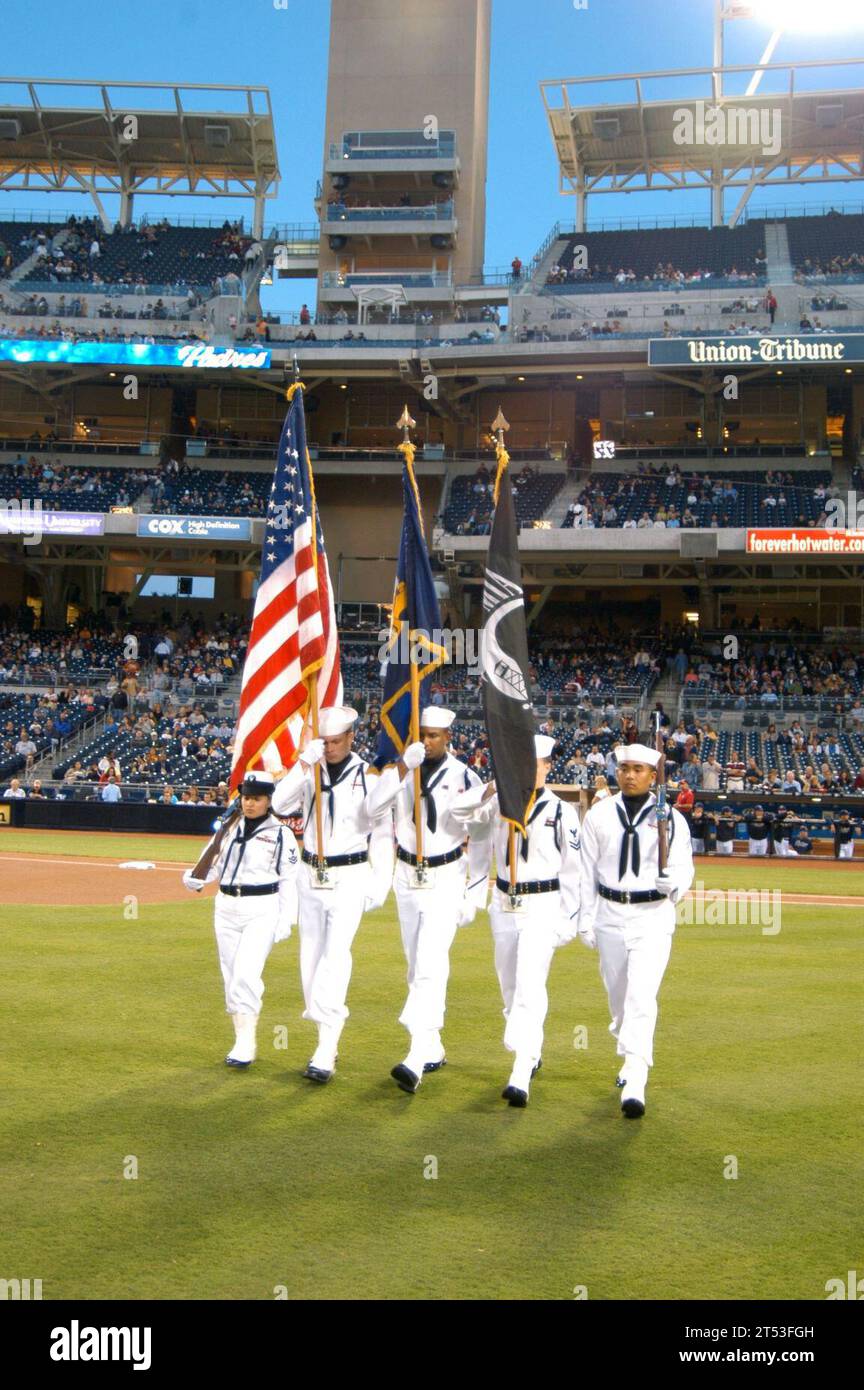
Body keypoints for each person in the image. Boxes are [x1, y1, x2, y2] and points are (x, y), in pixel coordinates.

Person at [450, 734, 587, 1108]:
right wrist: (495, 785)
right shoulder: (498, 804)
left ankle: (521, 1069)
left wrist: (569, 919)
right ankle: (532, 1046)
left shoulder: (561, 812)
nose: (530, 770)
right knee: (509, 985)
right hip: (504, 902)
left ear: (546, 766)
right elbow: (457, 813)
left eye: (536, 764)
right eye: (522, 764)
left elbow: (575, 872)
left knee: (529, 983)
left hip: (543, 903)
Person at [364, 706, 492, 1094]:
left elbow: (483, 834)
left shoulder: (465, 776)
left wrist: (475, 891)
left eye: (434, 735)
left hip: (445, 875)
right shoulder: (400, 771)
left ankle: (416, 1055)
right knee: (414, 961)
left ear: (449, 737)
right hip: (407, 875)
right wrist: (403, 767)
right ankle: (434, 1045)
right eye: (421, 734)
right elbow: (372, 809)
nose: (427, 740)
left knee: (430, 963)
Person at [270, 706, 392, 1083]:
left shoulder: (369, 775)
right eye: (325, 741)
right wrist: (302, 766)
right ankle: (325, 1032)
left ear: (352, 738)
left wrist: (381, 880)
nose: (331, 748)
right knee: (310, 959)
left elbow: (384, 831)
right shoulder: (312, 769)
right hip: (311, 873)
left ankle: (326, 1045)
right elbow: (278, 804)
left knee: (335, 956)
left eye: (337, 741)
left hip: (350, 873)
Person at [579, 743, 694, 1119]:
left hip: (652, 915)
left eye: (638, 770)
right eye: (624, 768)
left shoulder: (671, 818)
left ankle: (636, 1076)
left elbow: (684, 866)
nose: (629, 775)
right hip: (610, 912)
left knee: (642, 997)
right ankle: (629, 1051)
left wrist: (672, 882)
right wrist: (585, 917)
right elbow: (587, 870)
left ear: (652, 775)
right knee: (620, 999)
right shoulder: (599, 815)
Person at [182, 771, 298, 1067]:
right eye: (246, 798)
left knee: (246, 974)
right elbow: (212, 861)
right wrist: (196, 878)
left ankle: (246, 1043)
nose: (249, 804)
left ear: (268, 801)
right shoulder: (228, 827)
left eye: (256, 799)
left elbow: (289, 880)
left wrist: (287, 919)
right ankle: (240, 1036)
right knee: (231, 974)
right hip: (226, 906)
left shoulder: (281, 834)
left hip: (261, 907)